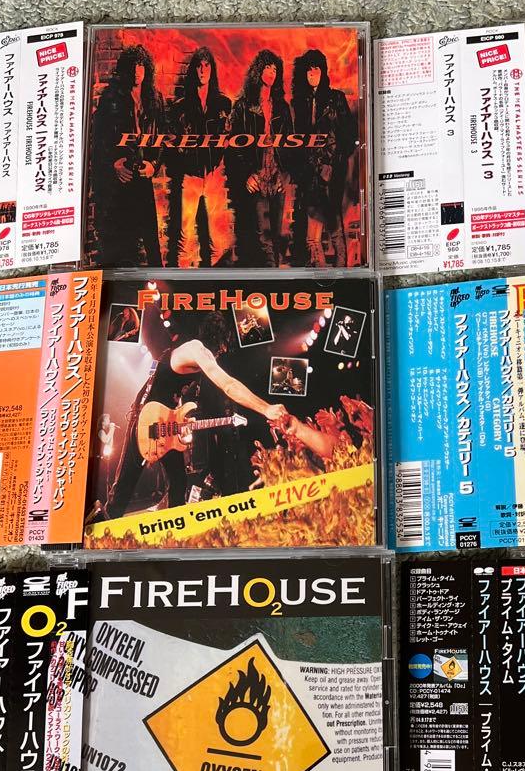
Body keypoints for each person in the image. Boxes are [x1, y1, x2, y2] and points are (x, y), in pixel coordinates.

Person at [100, 315, 288, 519]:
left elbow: (172, 394)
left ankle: (175, 528)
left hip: (165, 422)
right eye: (224, 345)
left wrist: (181, 417)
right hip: (146, 417)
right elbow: (228, 385)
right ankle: (100, 528)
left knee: (178, 482)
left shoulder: (194, 356)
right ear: (219, 338)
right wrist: (266, 408)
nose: (223, 351)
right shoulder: (197, 350)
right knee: (123, 488)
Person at [90, 45, 165, 266]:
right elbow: (99, 138)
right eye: (132, 65)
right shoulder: (111, 98)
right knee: (122, 240)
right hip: (120, 177)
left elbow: (163, 136)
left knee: (151, 239)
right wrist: (113, 163)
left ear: (146, 68)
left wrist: (154, 164)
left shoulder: (155, 98)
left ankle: (160, 279)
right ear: (125, 68)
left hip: (144, 174)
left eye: (140, 65)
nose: (136, 71)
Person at [165, 47, 232, 267]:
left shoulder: (223, 104)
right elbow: (172, 143)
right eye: (199, 66)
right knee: (185, 238)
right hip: (190, 176)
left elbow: (229, 136)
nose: (203, 71)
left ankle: (215, 284)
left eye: (207, 66)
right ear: (193, 70)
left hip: (214, 175)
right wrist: (183, 157)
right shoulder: (180, 107)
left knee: (217, 242)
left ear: (212, 70)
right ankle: (181, 283)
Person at [290, 49, 357, 267]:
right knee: (312, 237)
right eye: (308, 70)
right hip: (309, 173)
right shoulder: (299, 102)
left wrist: (336, 160)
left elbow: (349, 134)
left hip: (331, 171)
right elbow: (296, 138)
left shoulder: (336, 98)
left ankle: (342, 270)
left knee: (334, 221)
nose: (312, 74)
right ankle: (320, 274)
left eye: (316, 69)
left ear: (323, 71)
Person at [225, 50, 292, 266]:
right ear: (258, 71)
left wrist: (284, 175)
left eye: (275, 69)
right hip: (256, 178)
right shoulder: (243, 106)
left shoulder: (282, 107)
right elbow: (232, 146)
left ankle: (273, 277)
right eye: (267, 68)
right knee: (263, 239)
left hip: (276, 178)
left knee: (276, 237)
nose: (272, 73)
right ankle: (270, 278)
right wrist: (246, 175)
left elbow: (291, 145)